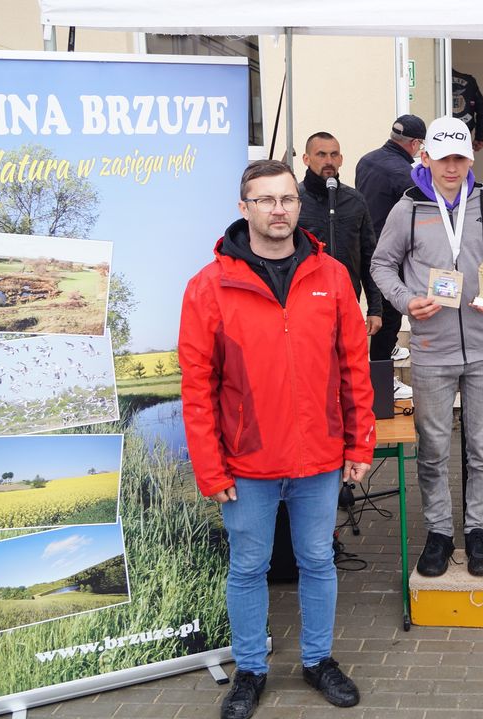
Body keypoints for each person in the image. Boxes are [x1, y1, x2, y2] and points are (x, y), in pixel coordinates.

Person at [180, 160, 376, 718]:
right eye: (265, 200)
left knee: (317, 560)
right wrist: (210, 468)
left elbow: (353, 367)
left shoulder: (331, 276)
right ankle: (250, 669)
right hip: (247, 462)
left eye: (287, 198)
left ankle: (318, 660)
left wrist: (359, 444)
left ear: (299, 204)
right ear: (244, 208)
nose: (278, 209)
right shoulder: (209, 286)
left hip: (319, 457)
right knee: (248, 567)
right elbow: (197, 387)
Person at [371, 116, 483, 578]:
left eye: (460, 158)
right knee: (434, 448)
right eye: (443, 159)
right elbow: (381, 265)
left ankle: (478, 532)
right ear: (426, 158)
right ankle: (439, 533)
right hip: (431, 348)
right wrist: (405, 300)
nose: (452, 167)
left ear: (470, 159)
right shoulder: (407, 210)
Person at [355, 114, 427, 399]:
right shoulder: (403, 174)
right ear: (415, 143)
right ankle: (382, 380)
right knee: (389, 315)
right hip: (389, 252)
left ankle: (388, 350)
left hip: (365, 245)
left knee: (379, 309)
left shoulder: (366, 160)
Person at [297, 131, 383, 366]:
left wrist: (375, 308)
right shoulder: (295, 201)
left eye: (334, 155)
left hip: (347, 304)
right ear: (306, 159)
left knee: (349, 367)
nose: (329, 161)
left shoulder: (355, 201)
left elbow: (369, 256)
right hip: (305, 307)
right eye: (321, 154)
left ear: (341, 159)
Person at [452, 69, 483, 152]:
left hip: (440, 137)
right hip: (463, 137)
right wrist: (479, 138)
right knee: (462, 159)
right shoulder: (469, 81)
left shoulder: (436, 79)